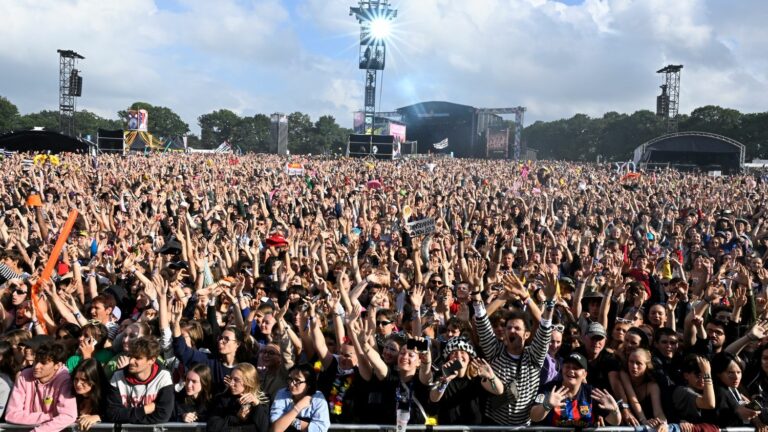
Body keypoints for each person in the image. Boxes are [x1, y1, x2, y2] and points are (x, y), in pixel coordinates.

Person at [531, 352, 622, 427]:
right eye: (567, 367)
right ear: (562, 369)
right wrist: (547, 405)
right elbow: (534, 417)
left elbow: (614, 422)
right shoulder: (550, 389)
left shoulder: (591, 393)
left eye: (576, 368)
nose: (571, 371)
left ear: (584, 374)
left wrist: (615, 411)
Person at [4, 342, 78, 431]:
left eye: (43, 363)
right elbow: (11, 415)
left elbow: (68, 416)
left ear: (57, 365)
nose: (36, 366)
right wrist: (49, 416)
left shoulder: (65, 379)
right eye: (36, 361)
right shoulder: (24, 375)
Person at [429, 336, 503, 424]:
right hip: (448, 429)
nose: (458, 355)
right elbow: (433, 398)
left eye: (463, 352)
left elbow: (499, 391)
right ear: (448, 357)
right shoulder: (442, 375)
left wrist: (492, 377)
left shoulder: (477, 377)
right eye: (454, 352)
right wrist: (445, 382)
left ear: (469, 357)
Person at [104, 336, 174, 424]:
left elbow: (162, 416)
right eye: (131, 356)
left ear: (151, 360)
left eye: (137, 358)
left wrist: (126, 416)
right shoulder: (117, 376)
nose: (131, 361)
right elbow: (113, 414)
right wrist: (145, 409)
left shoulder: (163, 376)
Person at [208, 362, 269, 431]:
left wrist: (257, 405)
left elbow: (264, 428)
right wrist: (236, 419)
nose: (231, 383)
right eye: (231, 379)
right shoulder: (222, 399)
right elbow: (213, 426)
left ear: (249, 381)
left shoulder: (262, 400)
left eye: (236, 380)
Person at [270, 364, 330, 432]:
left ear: (309, 384)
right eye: (290, 379)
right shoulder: (283, 393)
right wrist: (297, 408)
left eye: (297, 380)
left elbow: (320, 429)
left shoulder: (318, 399)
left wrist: (289, 420)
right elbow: (276, 428)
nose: (291, 384)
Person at [72, 358, 107, 431]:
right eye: (76, 379)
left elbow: (116, 415)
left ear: (94, 380)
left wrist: (98, 417)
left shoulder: (106, 399)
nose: (78, 384)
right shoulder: (70, 396)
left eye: (84, 380)